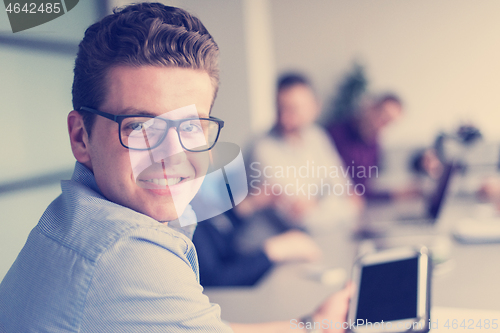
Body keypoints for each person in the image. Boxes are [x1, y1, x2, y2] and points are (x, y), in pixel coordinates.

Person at [0, 3, 350, 332]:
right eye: (140, 126)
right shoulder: (125, 253)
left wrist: (315, 323)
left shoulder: (78, 220)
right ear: (81, 138)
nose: (174, 155)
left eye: (191, 126)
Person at [242, 73, 360, 250]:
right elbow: (302, 220)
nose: (285, 118)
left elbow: (347, 192)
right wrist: (341, 206)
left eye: (293, 109)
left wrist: (318, 203)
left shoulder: (317, 137)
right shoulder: (262, 148)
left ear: (315, 107)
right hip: (264, 255)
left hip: (311, 244)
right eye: (280, 108)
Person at [327, 93, 418, 201]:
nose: (382, 122)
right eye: (382, 114)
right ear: (371, 107)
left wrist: (394, 194)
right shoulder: (335, 134)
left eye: (388, 121)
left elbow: (361, 190)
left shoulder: (374, 146)